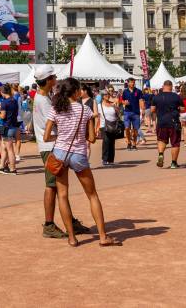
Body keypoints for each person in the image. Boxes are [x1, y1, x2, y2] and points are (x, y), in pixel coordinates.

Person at [44, 77, 116, 247]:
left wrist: (60, 136)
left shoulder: (56, 108)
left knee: (62, 195)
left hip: (60, 153)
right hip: (78, 154)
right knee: (92, 195)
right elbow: (91, 138)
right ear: (76, 92)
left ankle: (71, 237)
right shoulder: (85, 110)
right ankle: (103, 236)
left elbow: (46, 136)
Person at [32, 65, 88, 239]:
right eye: (54, 77)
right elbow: (54, 124)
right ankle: (49, 224)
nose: (56, 79)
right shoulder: (43, 100)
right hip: (50, 146)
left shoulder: (44, 97)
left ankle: (69, 221)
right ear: (49, 80)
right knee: (52, 186)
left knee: (60, 187)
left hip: (54, 145)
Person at [152, 80, 184, 169]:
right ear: (171, 86)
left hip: (161, 122)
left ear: (163, 86)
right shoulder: (176, 97)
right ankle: (173, 163)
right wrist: (177, 108)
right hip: (174, 123)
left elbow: (152, 109)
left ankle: (161, 154)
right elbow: (182, 108)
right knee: (175, 143)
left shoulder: (156, 97)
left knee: (161, 140)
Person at [0, 84, 20, 175]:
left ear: (2, 92)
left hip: (7, 126)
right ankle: (1, 166)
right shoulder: (14, 100)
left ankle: (13, 168)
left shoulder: (4, 102)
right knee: (4, 147)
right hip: (13, 125)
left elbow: (3, 116)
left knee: (9, 149)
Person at [120, 78, 143, 150]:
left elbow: (141, 100)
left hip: (136, 113)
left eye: (133, 82)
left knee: (135, 130)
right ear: (128, 83)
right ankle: (129, 142)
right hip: (127, 112)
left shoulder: (138, 91)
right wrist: (124, 103)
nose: (133, 84)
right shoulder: (125, 91)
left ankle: (134, 144)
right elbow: (121, 100)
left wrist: (143, 110)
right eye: (131, 82)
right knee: (127, 128)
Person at [99, 89, 120, 166]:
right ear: (102, 96)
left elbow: (118, 114)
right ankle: (105, 159)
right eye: (105, 95)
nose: (107, 96)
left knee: (112, 142)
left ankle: (111, 160)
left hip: (113, 125)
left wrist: (116, 108)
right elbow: (97, 117)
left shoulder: (113, 104)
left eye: (108, 94)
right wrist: (96, 128)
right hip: (104, 126)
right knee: (106, 142)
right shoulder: (99, 105)